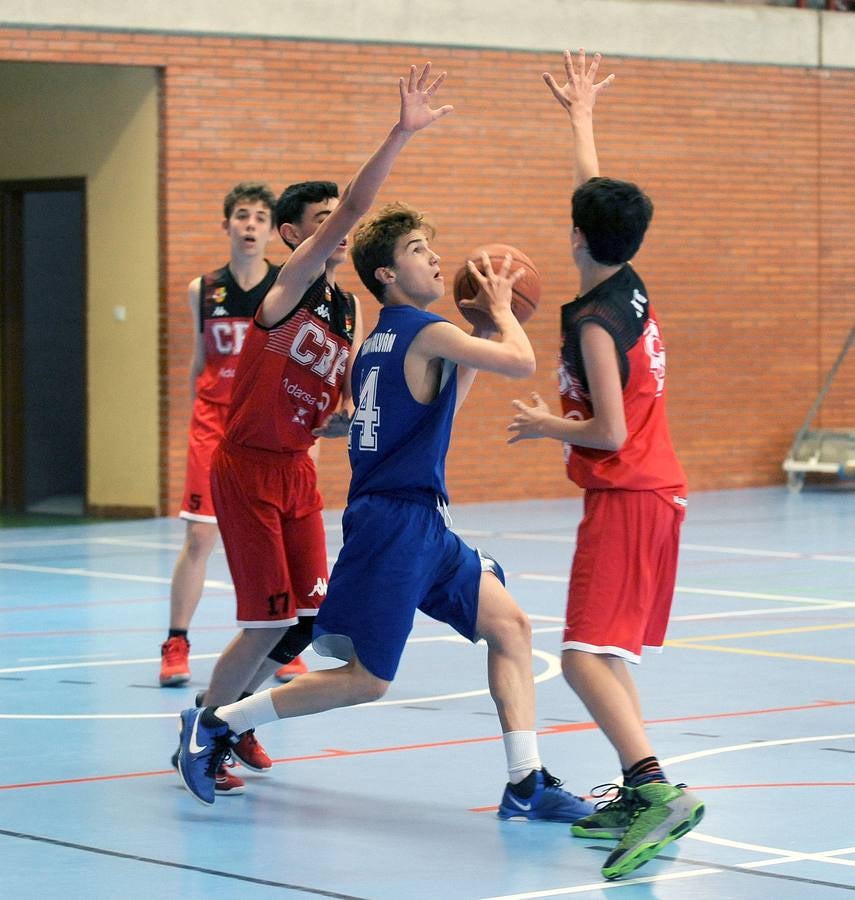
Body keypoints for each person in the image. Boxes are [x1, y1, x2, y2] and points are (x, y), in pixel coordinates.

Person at [174, 62, 594, 822]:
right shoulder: (295, 286)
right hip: (298, 482)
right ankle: (213, 722)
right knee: (343, 664)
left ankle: (524, 778)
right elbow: (363, 222)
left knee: (506, 626)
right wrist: (402, 134)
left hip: (370, 497)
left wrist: (471, 331)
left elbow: (406, 398)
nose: (434, 257)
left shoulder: (355, 322)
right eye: (419, 251)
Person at [506, 49, 705, 880]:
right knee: (610, 653)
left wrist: (546, 425)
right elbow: (594, 194)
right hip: (657, 494)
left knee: (583, 656)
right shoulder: (626, 278)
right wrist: (579, 115)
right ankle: (636, 786)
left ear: (577, 236)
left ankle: (656, 790)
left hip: (627, 490)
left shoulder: (594, 320)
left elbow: (609, 433)